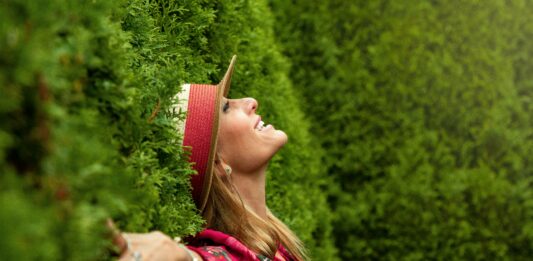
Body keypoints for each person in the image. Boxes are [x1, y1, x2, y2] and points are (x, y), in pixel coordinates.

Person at [112, 56, 307, 261]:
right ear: (218, 164)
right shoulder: (230, 254)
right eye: (226, 108)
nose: (251, 102)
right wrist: (183, 255)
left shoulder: (276, 243)